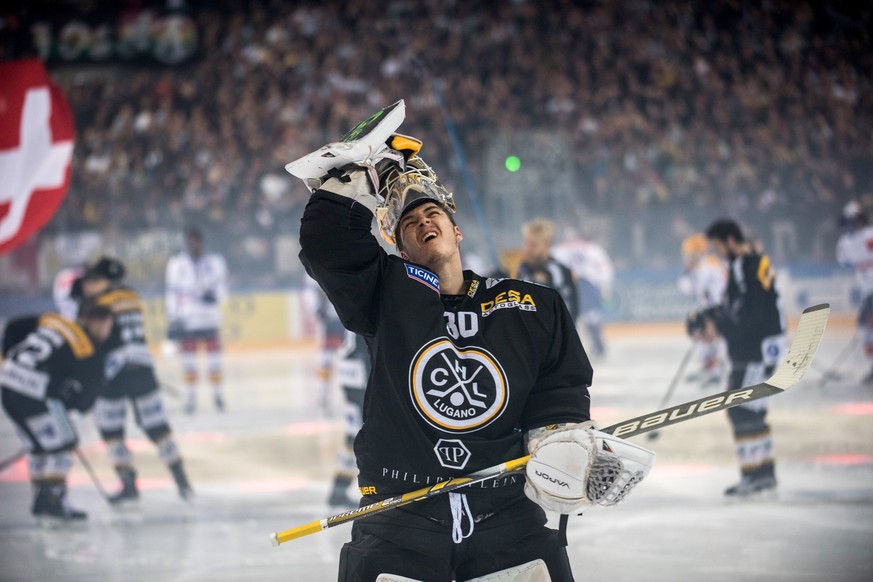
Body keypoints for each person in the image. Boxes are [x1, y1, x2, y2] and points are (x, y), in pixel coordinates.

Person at [291, 113, 654, 581]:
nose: (424, 223)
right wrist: (362, 176)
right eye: (410, 223)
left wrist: (562, 447)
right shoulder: (384, 296)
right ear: (401, 248)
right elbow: (326, 244)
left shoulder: (531, 305)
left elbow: (557, 398)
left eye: (433, 214)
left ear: (456, 230)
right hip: (399, 524)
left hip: (507, 525)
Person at [76, 257, 193, 504]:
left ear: (103, 281)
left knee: (111, 432)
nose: (87, 286)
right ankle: (182, 481)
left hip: (112, 375)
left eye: (92, 280)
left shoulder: (96, 304)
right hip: (142, 369)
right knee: (158, 428)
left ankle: (128, 484)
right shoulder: (133, 296)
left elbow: (91, 341)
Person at [690, 220, 785, 498]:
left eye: (718, 247)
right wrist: (715, 317)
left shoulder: (746, 265)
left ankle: (754, 475)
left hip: (755, 351)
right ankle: (763, 474)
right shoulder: (749, 264)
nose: (717, 253)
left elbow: (749, 317)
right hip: (758, 349)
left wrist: (719, 324)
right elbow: (744, 310)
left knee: (741, 410)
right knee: (752, 410)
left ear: (731, 240)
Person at [1, 302, 114, 523]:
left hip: (7, 384)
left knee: (40, 447)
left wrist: (7, 358)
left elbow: (13, 326)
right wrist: (65, 397)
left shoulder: (53, 321)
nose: (108, 332)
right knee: (65, 443)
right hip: (34, 394)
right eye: (108, 326)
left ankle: (40, 500)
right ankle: (53, 501)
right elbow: (84, 402)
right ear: (98, 323)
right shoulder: (87, 349)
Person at [165, 226, 229, 413]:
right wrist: (173, 318)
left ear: (202, 241)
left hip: (210, 319)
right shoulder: (177, 265)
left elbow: (223, 288)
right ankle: (190, 399)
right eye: (190, 240)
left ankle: (218, 396)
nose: (193, 244)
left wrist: (216, 297)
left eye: (196, 239)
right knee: (189, 364)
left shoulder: (215, 262)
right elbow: (172, 293)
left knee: (215, 362)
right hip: (188, 321)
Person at [551, 229, 614, 358]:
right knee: (591, 316)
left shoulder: (559, 250)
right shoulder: (592, 248)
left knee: (568, 318)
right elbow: (604, 267)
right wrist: (606, 286)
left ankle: (570, 349)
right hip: (588, 283)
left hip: (569, 286)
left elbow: (552, 269)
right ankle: (598, 346)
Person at [326, 329, 371, 509]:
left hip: (351, 375)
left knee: (354, 434)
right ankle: (341, 489)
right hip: (359, 377)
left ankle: (339, 488)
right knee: (361, 435)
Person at [677, 233, 728, 388]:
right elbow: (684, 286)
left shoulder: (710, 266)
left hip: (719, 308)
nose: (687, 256)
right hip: (710, 308)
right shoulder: (699, 267)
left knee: (718, 341)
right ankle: (710, 368)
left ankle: (717, 371)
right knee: (700, 336)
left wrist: (712, 315)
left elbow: (716, 291)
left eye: (690, 252)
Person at [836, 201, 873, 384]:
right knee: (865, 329)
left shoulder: (868, 236)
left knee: (865, 328)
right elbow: (843, 258)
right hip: (868, 293)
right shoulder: (849, 241)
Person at [516, 218, 579, 323]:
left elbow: (571, 308)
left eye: (533, 244)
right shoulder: (519, 269)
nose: (527, 248)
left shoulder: (561, 272)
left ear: (546, 244)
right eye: (526, 243)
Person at [302, 273, 347, 414]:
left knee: (350, 357)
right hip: (329, 322)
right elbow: (309, 291)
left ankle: (355, 393)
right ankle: (323, 394)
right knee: (325, 360)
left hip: (347, 318)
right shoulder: (315, 262)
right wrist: (317, 310)